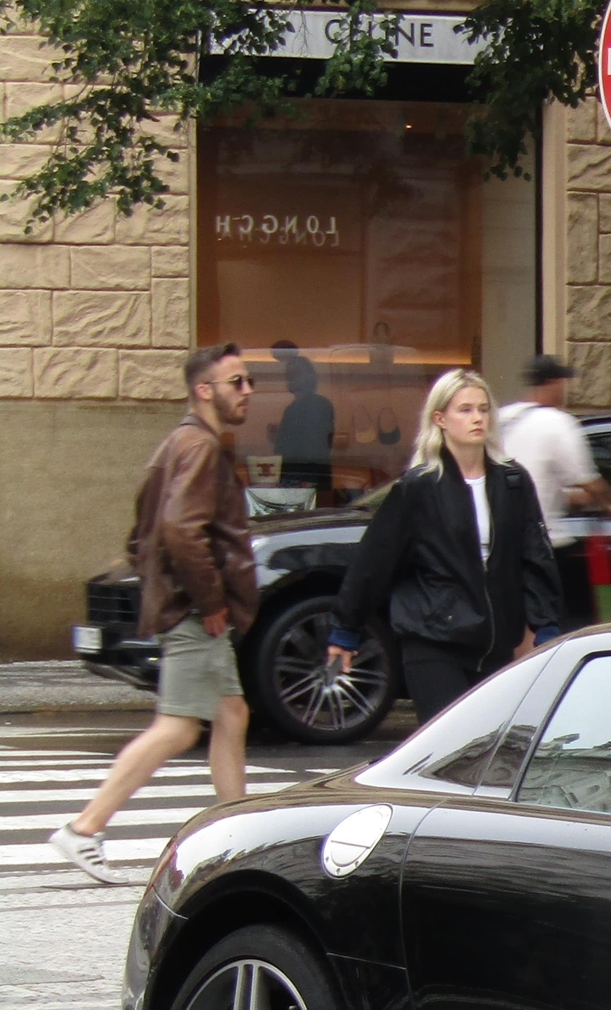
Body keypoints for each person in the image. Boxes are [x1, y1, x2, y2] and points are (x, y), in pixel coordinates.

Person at [49, 344, 259, 884]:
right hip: (196, 613)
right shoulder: (200, 448)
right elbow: (179, 532)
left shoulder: (180, 443)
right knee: (176, 727)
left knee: (231, 714)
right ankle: (85, 828)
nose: (247, 391)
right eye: (237, 382)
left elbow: (144, 532)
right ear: (204, 390)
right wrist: (211, 602)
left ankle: (236, 837)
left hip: (188, 607)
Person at [326, 369, 562, 722]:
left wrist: (546, 626)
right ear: (440, 419)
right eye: (465, 410)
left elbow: (535, 557)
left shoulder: (512, 481)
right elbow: (374, 561)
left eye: (483, 409)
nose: (477, 418)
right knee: (446, 752)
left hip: (494, 641)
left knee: (485, 750)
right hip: (433, 638)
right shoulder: (419, 487)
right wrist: (345, 631)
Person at [499, 353, 611, 548]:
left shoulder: (504, 418)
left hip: (501, 540)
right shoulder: (557, 422)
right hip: (541, 541)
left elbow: (533, 481)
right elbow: (589, 480)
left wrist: (572, 498)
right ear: (554, 382)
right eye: (563, 382)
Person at [271, 345, 336, 496]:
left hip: (304, 484)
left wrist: (308, 482)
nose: (290, 379)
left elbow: (316, 447)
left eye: (295, 374)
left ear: (309, 376)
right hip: (296, 482)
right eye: (289, 374)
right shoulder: (295, 408)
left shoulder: (316, 405)